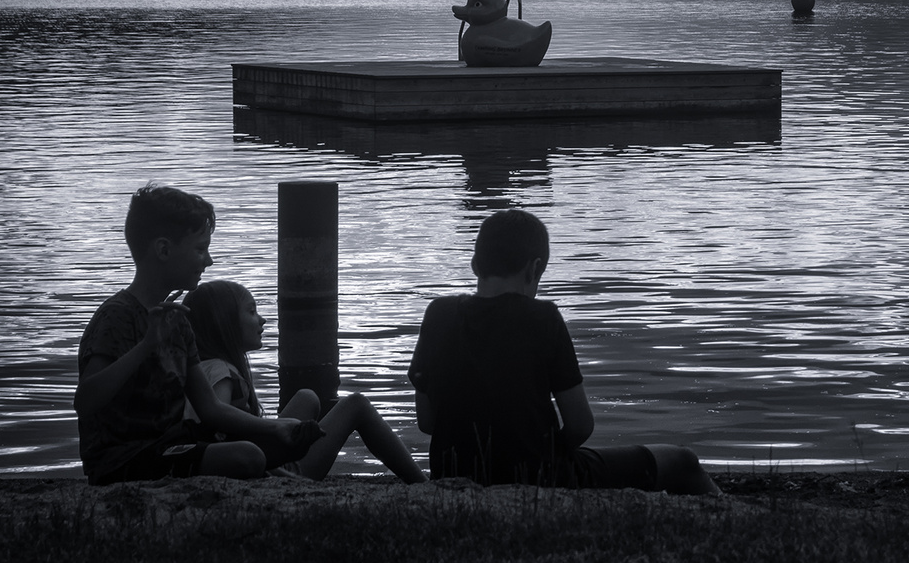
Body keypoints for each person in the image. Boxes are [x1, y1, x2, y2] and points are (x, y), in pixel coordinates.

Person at [408, 209, 718, 494]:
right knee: (682, 461)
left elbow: (427, 422)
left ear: (476, 264)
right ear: (535, 268)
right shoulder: (543, 318)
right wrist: (543, 454)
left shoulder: (438, 314)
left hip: (452, 474)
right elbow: (581, 425)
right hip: (541, 476)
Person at [74, 183, 320, 485]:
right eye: (200, 249)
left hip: (175, 444)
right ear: (163, 249)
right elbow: (85, 401)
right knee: (248, 456)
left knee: (275, 442)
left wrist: (276, 428)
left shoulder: (178, 322)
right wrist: (146, 346)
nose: (209, 260)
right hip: (126, 460)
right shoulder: (117, 316)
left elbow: (210, 408)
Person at [183, 280, 427, 483]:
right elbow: (213, 432)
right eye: (251, 311)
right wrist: (283, 477)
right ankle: (422, 483)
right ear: (223, 323)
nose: (262, 320)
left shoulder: (209, 368)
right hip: (277, 470)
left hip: (267, 460)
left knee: (306, 397)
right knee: (356, 405)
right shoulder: (219, 371)